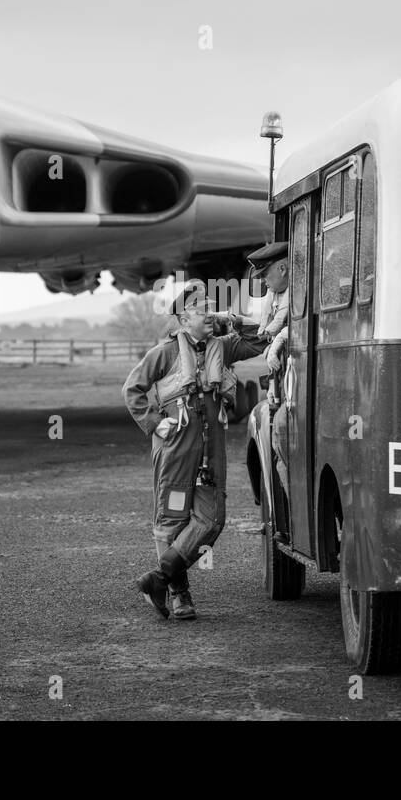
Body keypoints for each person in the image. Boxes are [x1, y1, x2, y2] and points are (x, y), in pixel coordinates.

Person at [123, 281, 266, 620]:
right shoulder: (164, 354)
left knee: (212, 519)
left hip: (210, 451)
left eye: (210, 306)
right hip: (175, 450)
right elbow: (133, 390)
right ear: (183, 319)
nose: (208, 312)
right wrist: (155, 423)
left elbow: (260, 339)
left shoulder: (225, 347)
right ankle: (179, 596)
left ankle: (157, 578)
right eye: (202, 308)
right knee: (171, 521)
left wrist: (230, 318)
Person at [245, 242, 292, 540]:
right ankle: (289, 522)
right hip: (283, 388)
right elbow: (265, 330)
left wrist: (278, 341)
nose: (263, 281)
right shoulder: (275, 296)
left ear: (283, 268)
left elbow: (300, 322)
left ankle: (292, 523)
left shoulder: (298, 291)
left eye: (266, 274)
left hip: (294, 390)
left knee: (281, 443)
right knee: (279, 454)